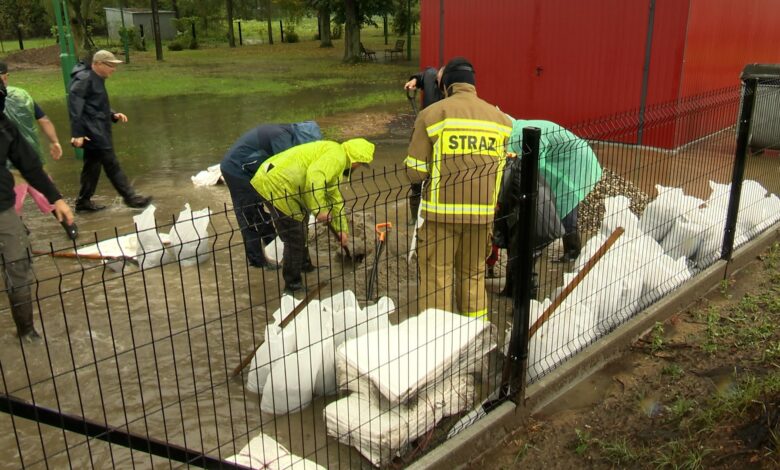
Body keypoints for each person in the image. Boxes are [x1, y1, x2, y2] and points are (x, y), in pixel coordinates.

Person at [404, 57, 512, 318]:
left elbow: (414, 172)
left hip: (440, 217)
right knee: (473, 277)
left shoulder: (431, 115)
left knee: (437, 277)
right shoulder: (501, 120)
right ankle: (474, 338)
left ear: (447, 85)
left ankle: (439, 344)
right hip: (482, 216)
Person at [0, 81, 75, 342]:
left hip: (3, 208)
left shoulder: (4, 126)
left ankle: (25, 330)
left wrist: (58, 199)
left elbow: (30, 165)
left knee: (18, 264)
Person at [251, 138, 375, 293]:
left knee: (300, 225)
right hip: (277, 183)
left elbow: (334, 198)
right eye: (361, 164)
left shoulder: (337, 158)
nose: (358, 167)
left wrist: (342, 230)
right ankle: (293, 285)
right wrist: (319, 209)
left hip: (282, 183)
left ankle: (304, 265)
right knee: (294, 237)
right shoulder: (336, 158)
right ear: (355, 159)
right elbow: (314, 177)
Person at [220, 121, 322, 269]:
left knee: (263, 215)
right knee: (250, 215)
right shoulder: (281, 138)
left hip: (253, 168)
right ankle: (257, 262)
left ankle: (274, 252)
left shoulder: (288, 133)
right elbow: (284, 170)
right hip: (237, 169)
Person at [506, 119, 602, 265]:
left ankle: (572, 251)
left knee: (565, 203)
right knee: (561, 200)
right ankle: (569, 249)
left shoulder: (519, 135)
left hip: (576, 164)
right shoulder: (520, 129)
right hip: (568, 162)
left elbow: (535, 166)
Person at [0, 62, 76, 240]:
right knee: (43, 194)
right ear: (6, 76)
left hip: (13, 162)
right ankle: (68, 225)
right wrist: (54, 141)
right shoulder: (22, 95)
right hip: (29, 159)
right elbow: (44, 120)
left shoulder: (19, 95)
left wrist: (55, 141)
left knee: (17, 202)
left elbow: (43, 119)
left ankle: (18, 233)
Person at [68, 50, 151, 212]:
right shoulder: (85, 79)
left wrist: (113, 114)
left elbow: (95, 104)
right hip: (94, 131)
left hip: (97, 127)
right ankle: (131, 198)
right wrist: (77, 133)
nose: (114, 69)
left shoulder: (95, 78)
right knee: (111, 164)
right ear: (97, 64)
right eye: (110, 65)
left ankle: (83, 201)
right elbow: (75, 106)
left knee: (92, 166)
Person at [403, 66, 444, 225]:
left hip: (439, 135)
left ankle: (431, 211)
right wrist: (414, 80)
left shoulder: (450, 92)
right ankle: (414, 216)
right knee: (416, 174)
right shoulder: (430, 76)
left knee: (434, 174)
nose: (439, 81)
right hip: (422, 130)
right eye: (438, 79)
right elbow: (421, 75)